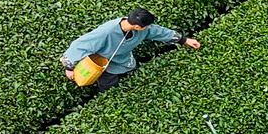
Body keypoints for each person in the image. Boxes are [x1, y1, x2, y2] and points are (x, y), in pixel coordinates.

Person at [61, 10, 199, 90]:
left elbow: (158, 32)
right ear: (138, 26)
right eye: (146, 26)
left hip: (122, 58)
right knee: (109, 83)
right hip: (102, 62)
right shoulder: (106, 32)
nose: (148, 28)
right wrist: (69, 67)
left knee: (129, 71)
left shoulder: (140, 28)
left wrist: (184, 40)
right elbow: (80, 45)